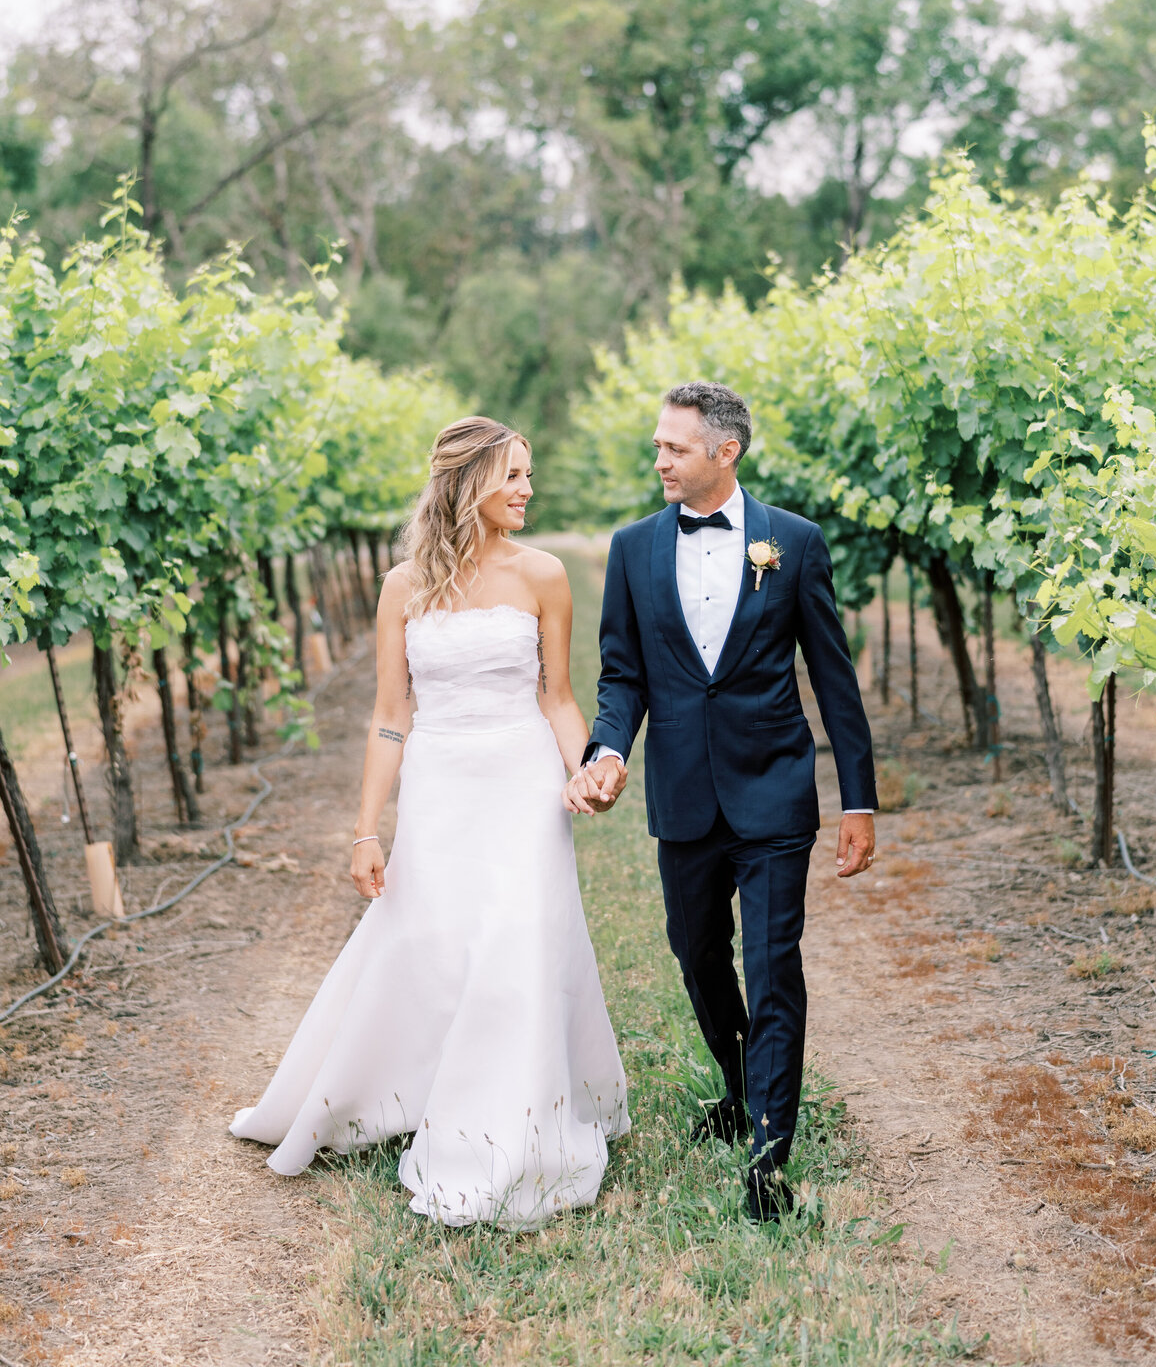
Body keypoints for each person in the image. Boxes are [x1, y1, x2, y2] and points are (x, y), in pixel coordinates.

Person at [231, 417, 628, 1227]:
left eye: (528, 473)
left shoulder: (544, 575)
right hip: (441, 781)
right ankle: (404, 1086)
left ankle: (505, 1122)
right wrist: (367, 827)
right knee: (429, 940)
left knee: (518, 940)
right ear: (468, 481)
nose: (526, 489)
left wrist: (586, 765)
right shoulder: (401, 586)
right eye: (513, 475)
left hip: (521, 779)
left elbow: (554, 696)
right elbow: (389, 715)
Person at [565, 382, 876, 1223]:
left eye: (673, 447)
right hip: (683, 795)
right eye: (658, 446)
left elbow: (835, 681)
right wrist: (603, 751)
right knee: (698, 956)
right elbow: (622, 674)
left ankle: (769, 1157)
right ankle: (741, 1090)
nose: (658, 459)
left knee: (774, 970)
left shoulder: (795, 544)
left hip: (775, 791)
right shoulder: (631, 549)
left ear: (724, 452)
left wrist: (860, 801)